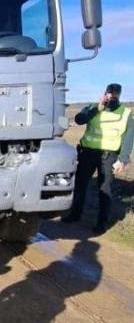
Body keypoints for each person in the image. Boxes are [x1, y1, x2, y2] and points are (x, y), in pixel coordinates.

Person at [62, 83, 133, 234]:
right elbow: (79, 119)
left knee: (104, 189)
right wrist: (97, 108)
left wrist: (123, 159)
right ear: (105, 93)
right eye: (109, 93)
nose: (111, 97)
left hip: (109, 156)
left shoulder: (126, 114)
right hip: (88, 153)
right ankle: (75, 214)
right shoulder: (93, 107)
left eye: (114, 95)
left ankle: (101, 223)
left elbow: (128, 138)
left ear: (119, 96)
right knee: (80, 185)